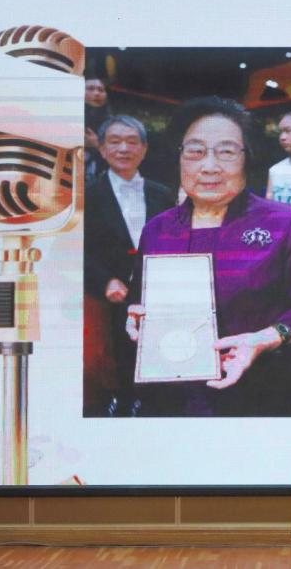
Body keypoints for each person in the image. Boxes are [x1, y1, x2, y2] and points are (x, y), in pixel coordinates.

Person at [125, 96, 291, 417]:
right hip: (170, 400)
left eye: (226, 152)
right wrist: (134, 318)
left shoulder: (286, 223)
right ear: (179, 158)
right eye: (195, 151)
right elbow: (137, 302)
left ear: (247, 158)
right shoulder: (157, 230)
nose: (209, 166)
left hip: (260, 397)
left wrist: (266, 338)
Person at [83, 114, 174, 417]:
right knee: (117, 357)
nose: (124, 148)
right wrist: (105, 280)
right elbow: (79, 249)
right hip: (111, 295)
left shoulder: (162, 193)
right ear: (102, 148)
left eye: (132, 142)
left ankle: (152, 407)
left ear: (144, 149)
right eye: (115, 141)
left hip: (156, 291)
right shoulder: (87, 195)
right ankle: (120, 405)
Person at [84, 75, 111, 183]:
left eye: (101, 90)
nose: (96, 93)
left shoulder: (113, 125)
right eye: (90, 89)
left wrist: (97, 145)